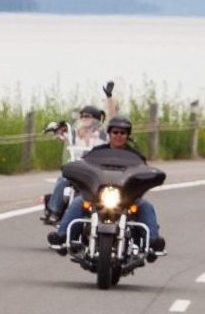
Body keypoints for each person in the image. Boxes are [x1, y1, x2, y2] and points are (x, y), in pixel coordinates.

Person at [47, 114, 164, 252]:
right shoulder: (97, 152)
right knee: (78, 202)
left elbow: (143, 172)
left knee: (146, 206)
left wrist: (149, 176)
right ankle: (62, 237)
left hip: (127, 197)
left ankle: (153, 242)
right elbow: (85, 166)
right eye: (115, 132)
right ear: (109, 133)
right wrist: (75, 170)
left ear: (127, 135)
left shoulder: (136, 156)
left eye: (123, 132)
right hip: (99, 195)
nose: (118, 135)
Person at [41, 98, 112, 223]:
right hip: (78, 169)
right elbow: (60, 136)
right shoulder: (74, 135)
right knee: (62, 180)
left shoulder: (102, 136)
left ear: (96, 118)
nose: (84, 119)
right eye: (82, 116)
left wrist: (109, 97)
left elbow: (112, 120)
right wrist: (55, 128)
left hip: (96, 171)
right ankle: (54, 211)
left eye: (87, 116)